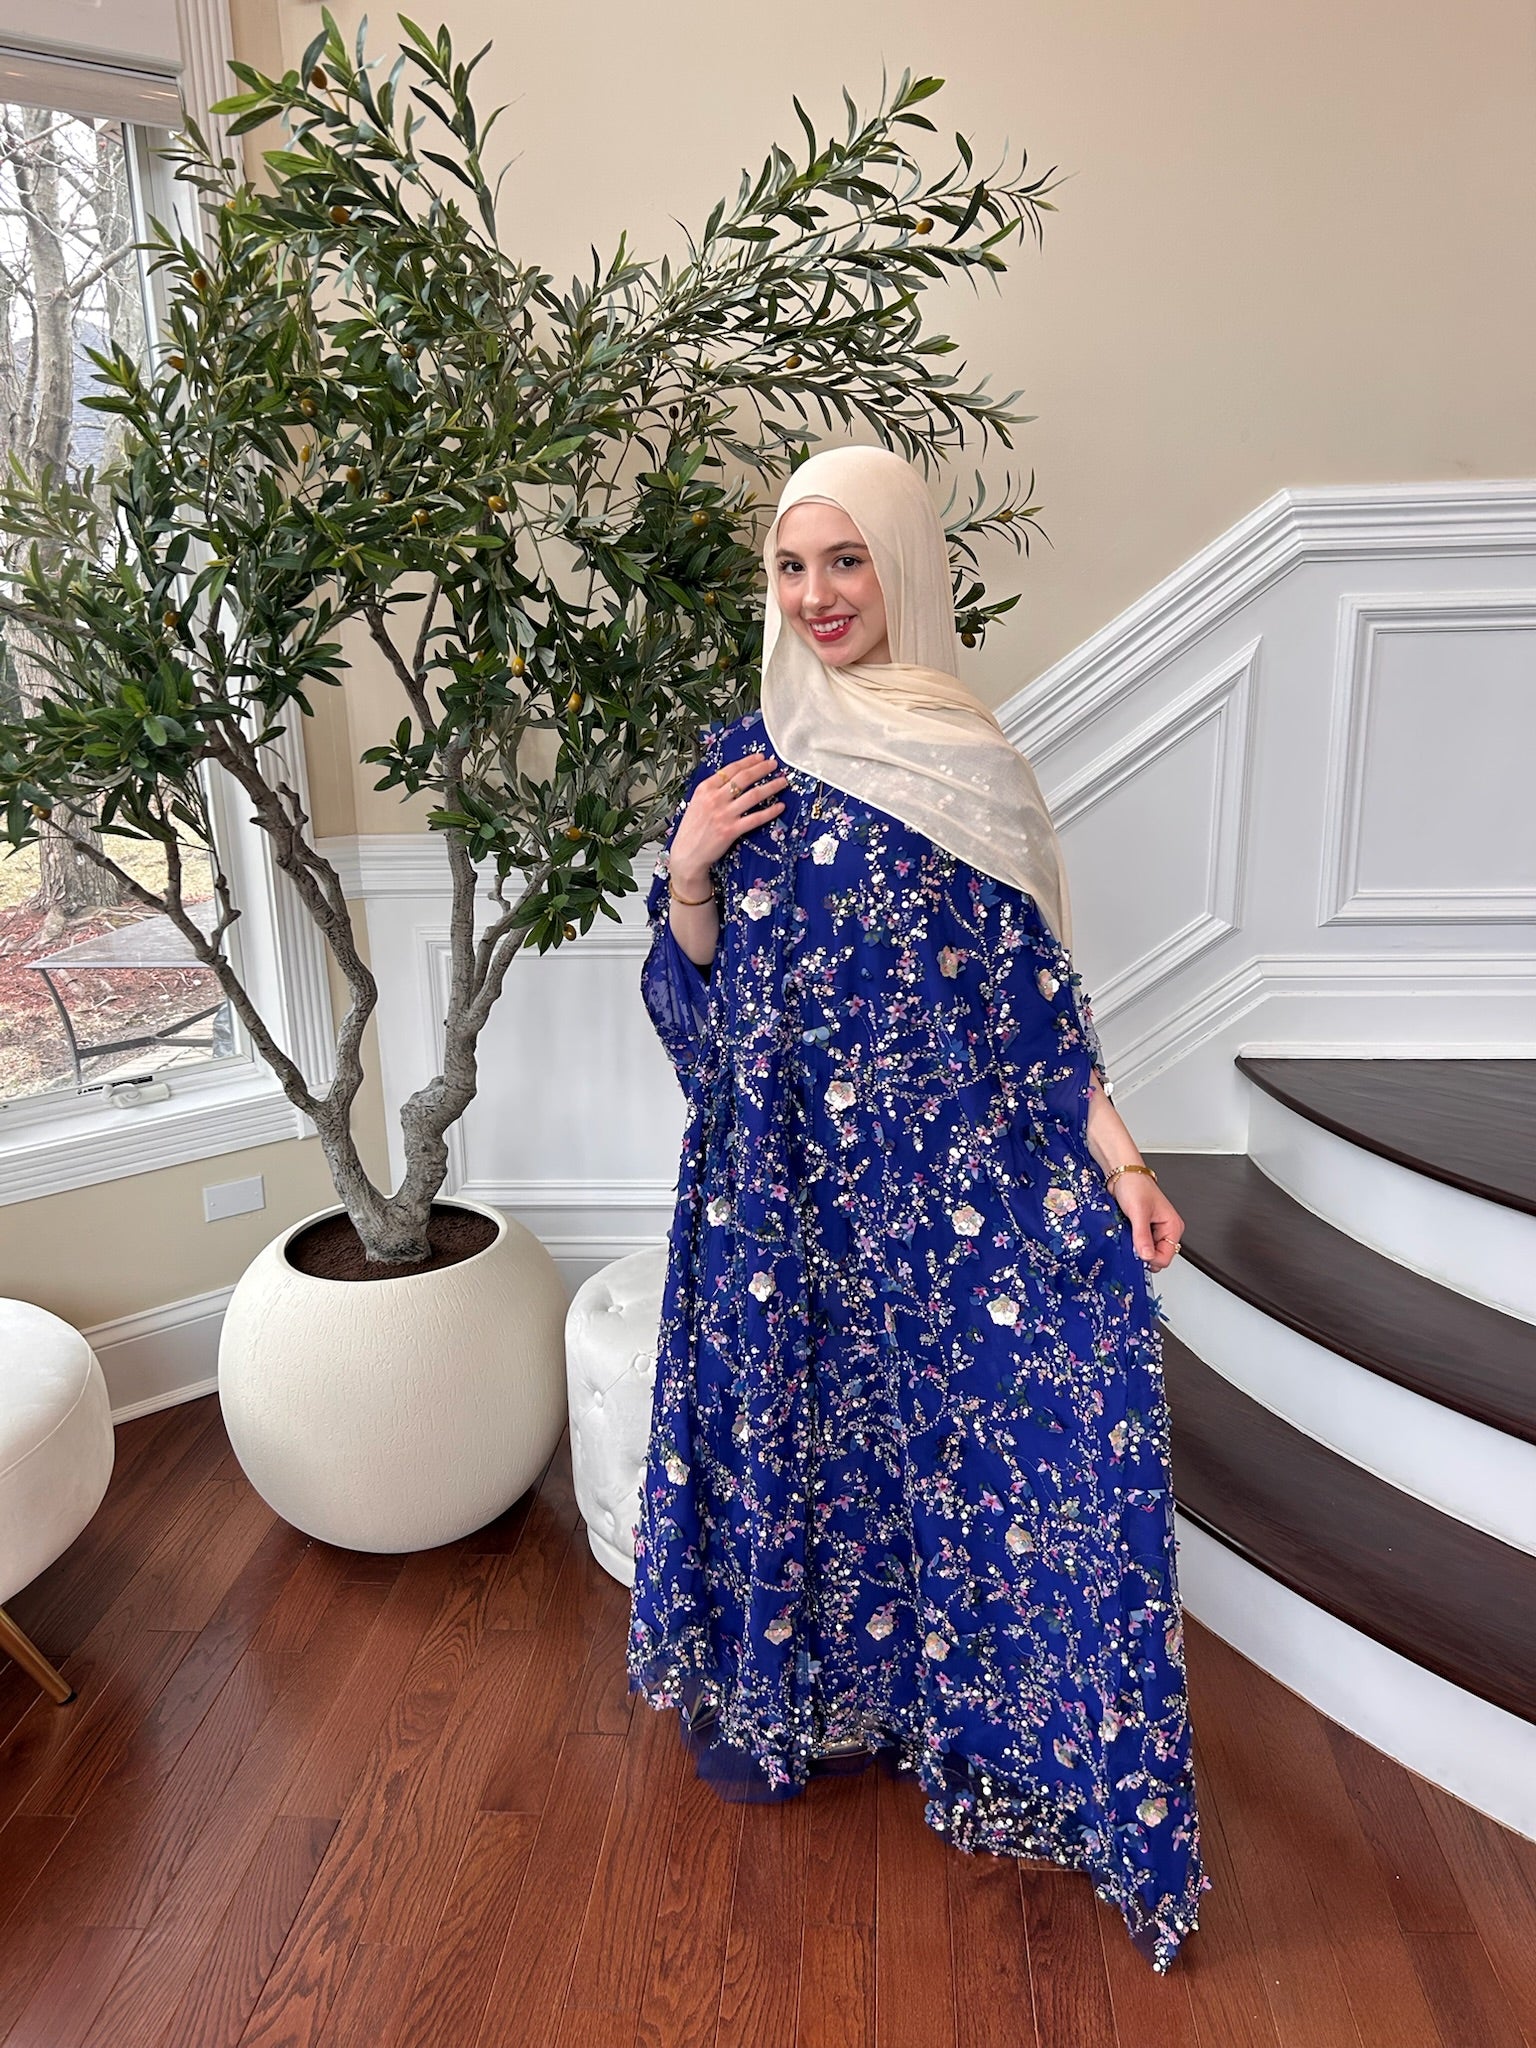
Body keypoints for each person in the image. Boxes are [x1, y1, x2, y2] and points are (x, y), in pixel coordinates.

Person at [628, 443, 1208, 1973]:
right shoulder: (738, 755)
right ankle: (816, 1706)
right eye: (792, 567)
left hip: (940, 1192)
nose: (818, 596)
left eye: (848, 561)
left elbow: (1035, 1012)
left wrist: (1125, 1164)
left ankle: (1009, 1737)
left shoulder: (966, 760)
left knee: (992, 1446)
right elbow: (694, 1030)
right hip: (775, 1201)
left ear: (903, 565)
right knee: (807, 1447)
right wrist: (687, 875)